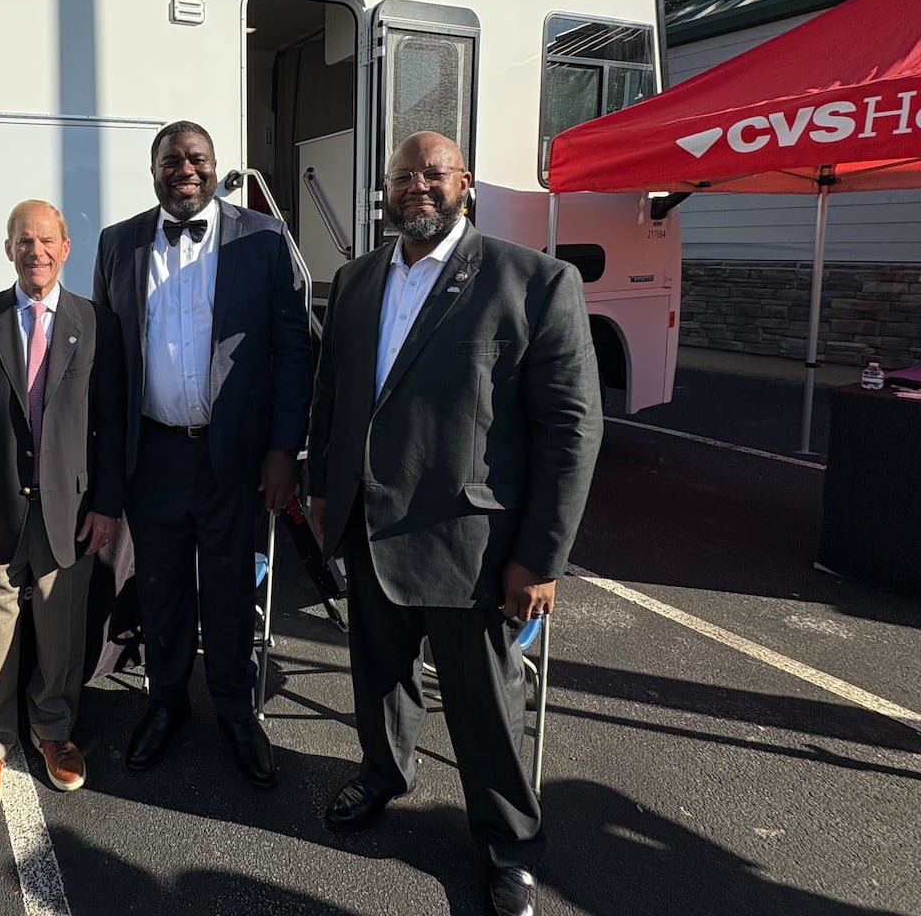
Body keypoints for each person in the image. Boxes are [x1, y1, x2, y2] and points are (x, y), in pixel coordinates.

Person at [307, 131, 602, 916]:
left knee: (487, 711)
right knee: (378, 675)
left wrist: (540, 558)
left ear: (464, 182)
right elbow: (331, 396)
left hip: (473, 547)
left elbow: (572, 430)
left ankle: (509, 846)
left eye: (432, 174)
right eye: (403, 176)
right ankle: (385, 772)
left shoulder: (534, 282)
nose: (416, 188)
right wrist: (319, 488)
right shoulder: (357, 277)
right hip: (368, 529)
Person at [91, 121, 311, 788]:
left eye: (196, 159)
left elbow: (292, 347)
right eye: (170, 161)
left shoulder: (264, 238)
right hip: (152, 451)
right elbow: (109, 359)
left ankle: (235, 710)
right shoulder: (118, 242)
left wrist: (283, 450)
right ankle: (165, 702)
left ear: (216, 168)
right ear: (153, 170)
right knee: (158, 587)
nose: (184, 170)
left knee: (228, 585)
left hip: (232, 453)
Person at [0, 199, 125, 820]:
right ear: (8, 249)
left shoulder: (98, 323)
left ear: (66, 248)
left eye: (47, 241)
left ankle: (53, 730)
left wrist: (106, 506)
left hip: (69, 514)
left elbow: (111, 427)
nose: (36, 252)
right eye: (25, 241)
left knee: (60, 631)